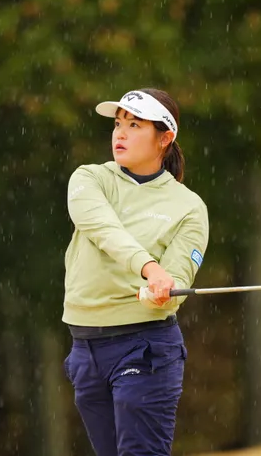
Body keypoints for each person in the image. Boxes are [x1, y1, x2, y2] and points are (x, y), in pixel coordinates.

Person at [62, 88, 209, 456]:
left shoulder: (189, 207)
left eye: (134, 125)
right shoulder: (90, 178)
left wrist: (163, 293)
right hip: (85, 348)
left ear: (165, 138)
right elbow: (103, 229)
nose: (120, 134)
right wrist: (149, 267)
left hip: (144, 348)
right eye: (118, 124)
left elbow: (176, 280)